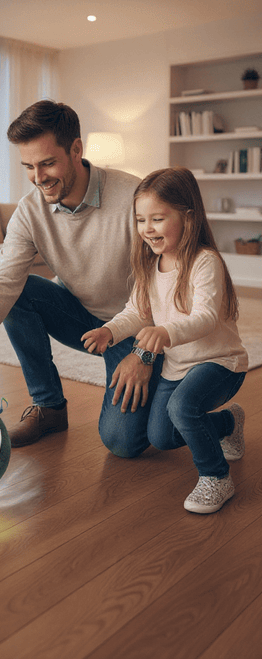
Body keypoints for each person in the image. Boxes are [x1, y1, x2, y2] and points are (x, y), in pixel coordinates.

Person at [0, 99, 163, 456]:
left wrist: (143, 355)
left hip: (137, 328)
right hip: (81, 318)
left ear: (77, 149)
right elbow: (4, 280)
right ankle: (48, 407)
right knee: (20, 291)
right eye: (29, 167)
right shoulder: (30, 210)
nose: (38, 178)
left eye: (48, 163)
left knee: (122, 442)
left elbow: (168, 286)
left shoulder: (135, 197)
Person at [82, 167, 248, 513]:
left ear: (188, 217)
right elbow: (137, 312)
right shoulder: (148, 264)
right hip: (178, 367)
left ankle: (216, 477)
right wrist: (110, 330)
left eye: (157, 218)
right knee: (161, 436)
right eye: (141, 220)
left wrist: (166, 332)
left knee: (182, 408)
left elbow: (206, 317)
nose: (147, 229)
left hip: (218, 361)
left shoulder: (205, 261)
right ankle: (228, 422)